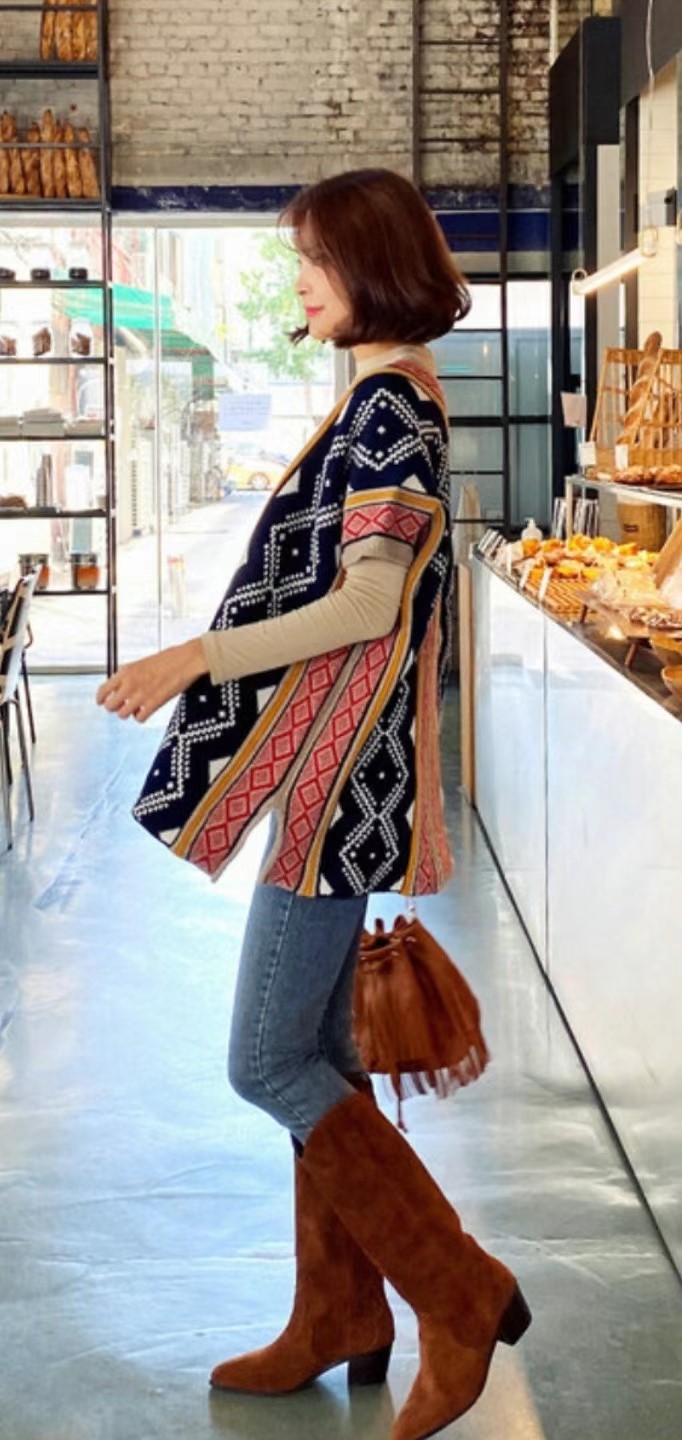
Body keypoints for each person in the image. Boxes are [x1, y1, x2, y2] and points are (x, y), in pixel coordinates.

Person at [96, 169, 531, 1440]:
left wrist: (193, 656)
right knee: (321, 1056)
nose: (298, 286)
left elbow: (366, 603)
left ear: (370, 266)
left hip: (337, 780)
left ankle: (456, 1293)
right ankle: (339, 1311)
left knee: (266, 1059)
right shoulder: (386, 394)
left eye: (312, 263)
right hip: (335, 773)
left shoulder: (388, 408)